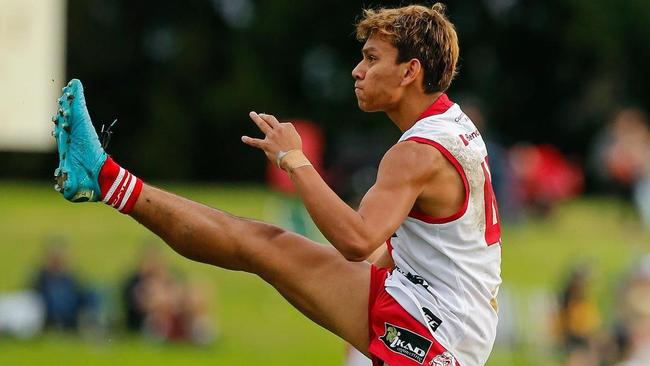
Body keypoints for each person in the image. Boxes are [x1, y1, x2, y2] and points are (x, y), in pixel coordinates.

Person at [51, 4, 501, 365]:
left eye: (371, 58)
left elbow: (357, 241)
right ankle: (105, 178)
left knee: (265, 247)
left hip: (439, 330)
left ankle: (104, 178)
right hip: (435, 305)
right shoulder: (448, 125)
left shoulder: (417, 152)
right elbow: (422, 244)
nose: (356, 71)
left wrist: (296, 160)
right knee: (262, 244)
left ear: (410, 72)